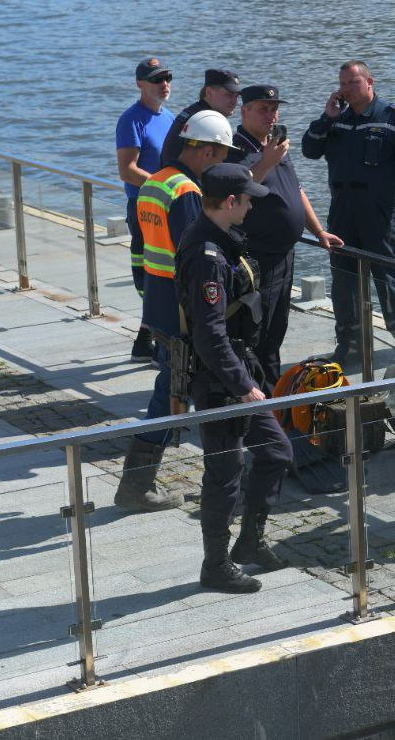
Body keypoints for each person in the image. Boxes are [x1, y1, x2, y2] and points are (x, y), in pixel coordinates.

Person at [175, 164, 292, 594]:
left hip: (239, 370)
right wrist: (244, 387)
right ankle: (216, 564)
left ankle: (250, 542)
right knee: (224, 471)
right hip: (219, 379)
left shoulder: (221, 240)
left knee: (276, 451)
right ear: (230, 203)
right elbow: (209, 334)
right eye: (247, 200)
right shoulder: (207, 255)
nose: (250, 206)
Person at [114, 110, 236, 512]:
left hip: (158, 303)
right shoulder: (186, 192)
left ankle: (140, 483)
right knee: (175, 391)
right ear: (208, 151)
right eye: (222, 154)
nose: (221, 164)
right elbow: (195, 252)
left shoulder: (156, 182)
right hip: (183, 309)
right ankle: (138, 486)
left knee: (172, 388)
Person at [301, 60, 395, 370]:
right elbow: (309, 150)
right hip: (342, 215)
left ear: (369, 82)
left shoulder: (393, 118)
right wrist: (326, 117)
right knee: (344, 284)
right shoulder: (337, 119)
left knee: (391, 282)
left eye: (353, 83)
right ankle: (350, 346)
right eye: (343, 84)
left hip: (379, 215)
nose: (346, 89)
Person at [226, 84, 342, 385]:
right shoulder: (235, 149)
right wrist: (268, 161)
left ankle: (274, 397)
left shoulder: (276, 145)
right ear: (245, 111)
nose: (271, 114)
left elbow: (296, 190)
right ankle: (257, 400)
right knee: (256, 332)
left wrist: (318, 230)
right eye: (263, 108)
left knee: (277, 329)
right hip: (257, 256)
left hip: (284, 255)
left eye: (274, 108)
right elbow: (237, 191)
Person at [115, 56, 175, 363]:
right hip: (144, 208)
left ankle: (145, 340)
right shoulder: (132, 119)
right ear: (140, 84)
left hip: (170, 207)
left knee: (167, 273)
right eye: (156, 79)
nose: (164, 85)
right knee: (150, 274)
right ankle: (157, 341)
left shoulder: (171, 118)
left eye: (167, 79)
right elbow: (127, 170)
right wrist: (165, 187)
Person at [160, 68, 241, 168]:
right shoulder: (206, 122)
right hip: (182, 179)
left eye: (236, 96)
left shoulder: (193, 112)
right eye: (228, 95)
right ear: (209, 92)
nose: (234, 102)